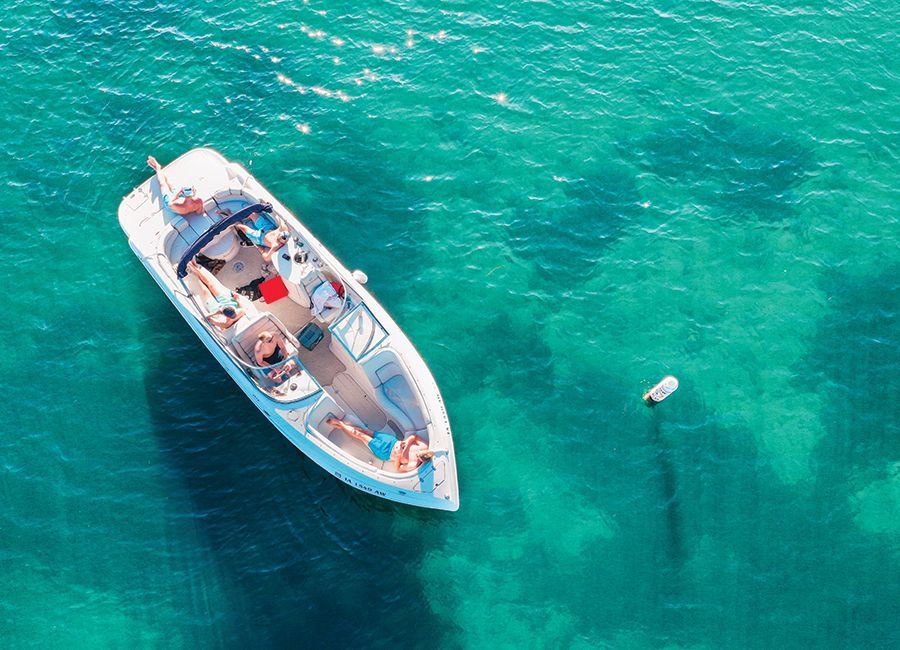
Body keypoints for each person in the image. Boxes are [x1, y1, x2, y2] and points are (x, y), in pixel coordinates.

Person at [326, 418, 435, 472]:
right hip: (391, 441)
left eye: (418, 456)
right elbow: (414, 437)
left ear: (421, 460)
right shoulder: (424, 447)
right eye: (418, 453)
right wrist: (407, 443)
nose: (416, 454)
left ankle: (339, 423)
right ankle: (342, 426)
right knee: (365, 432)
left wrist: (397, 457)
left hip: (384, 451)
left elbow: (398, 468)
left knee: (360, 435)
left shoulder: (413, 464)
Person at [187, 260, 248, 331]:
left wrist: (215, 314)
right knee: (211, 285)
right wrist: (237, 300)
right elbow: (243, 307)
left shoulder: (226, 323)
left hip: (216, 310)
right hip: (227, 302)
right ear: (234, 309)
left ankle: (194, 274)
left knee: (205, 290)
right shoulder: (241, 311)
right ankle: (195, 267)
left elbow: (204, 319)